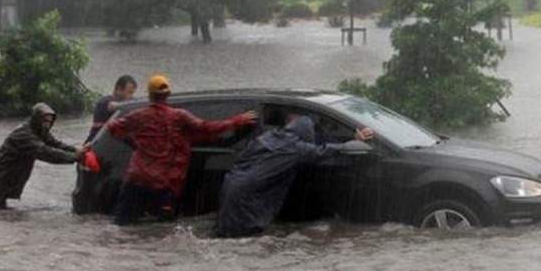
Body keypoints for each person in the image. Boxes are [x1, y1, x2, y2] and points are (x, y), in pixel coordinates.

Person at [105, 74, 257, 225]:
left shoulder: (138, 116)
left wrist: (135, 145)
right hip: (163, 184)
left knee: (122, 226)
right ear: (168, 95)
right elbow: (207, 128)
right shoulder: (179, 116)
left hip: (136, 180)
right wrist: (236, 121)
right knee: (163, 232)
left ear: (149, 95)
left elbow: (112, 127)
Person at [215, 114, 374, 238]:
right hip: (250, 196)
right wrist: (354, 142)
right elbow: (325, 151)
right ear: (305, 133)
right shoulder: (295, 148)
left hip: (231, 186)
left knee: (228, 233)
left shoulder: (269, 137)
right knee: (245, 237)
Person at [0, 103, 87, 209]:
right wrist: (75, 157)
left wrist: (76, 149)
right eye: (45, 121)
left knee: (1, 215)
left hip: (5, 176)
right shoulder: (24, 134)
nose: (47, 125)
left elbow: (55, 144)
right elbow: (46, 153)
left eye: (50, 122)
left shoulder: (39, 130)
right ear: (37, 119)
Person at [85, 75, 138, 142]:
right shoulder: (104, 102)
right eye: (129, 92)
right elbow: (111, 107)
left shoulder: (126, 103)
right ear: (118, 89)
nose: (131, 96)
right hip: (96, 143)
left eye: (133, 93)